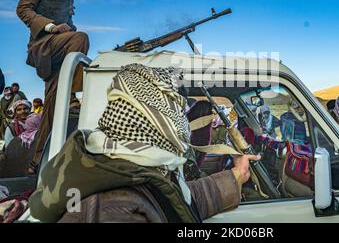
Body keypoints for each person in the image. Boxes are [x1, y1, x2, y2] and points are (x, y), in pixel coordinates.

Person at [29, 64, 259, 223]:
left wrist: (235, 175)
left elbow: (174, 199)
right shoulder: (113, 210)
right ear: (152, 114)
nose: (180, 116)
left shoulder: (126, 167)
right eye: (174, 106)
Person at [16, 0, 90, 173]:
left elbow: (66, 23)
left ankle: (35, 163)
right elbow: (23, 9)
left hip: (60, 51)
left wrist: (67, 26)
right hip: (43, 46)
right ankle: (71, 95)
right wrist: (51, 26)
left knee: (53, 106)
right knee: (81, 38)